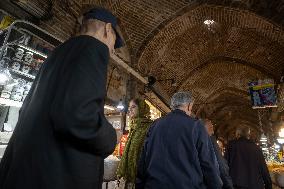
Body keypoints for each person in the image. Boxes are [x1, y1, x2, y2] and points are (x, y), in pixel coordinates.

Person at [0, 7, 123, 189]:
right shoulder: (93, 49)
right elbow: (78, 116)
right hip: (56, 177)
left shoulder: (58, 54)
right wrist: (111, 136)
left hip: (29, 172)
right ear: (107, 29)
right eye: (114, 41)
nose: (112, 50)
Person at [136, 92, 222, 189]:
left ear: (172, 106)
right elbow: (208, 162)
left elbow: (143, 159)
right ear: (189, 106)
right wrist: (216, 185)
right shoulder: (196, 126)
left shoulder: (155, 125)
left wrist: (139, 184)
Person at [117, 99, 152, 189]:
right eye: (129, 107)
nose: (130, 110)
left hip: (141, 176)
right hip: (130, 175)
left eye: (133, 107)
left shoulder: (149, 127)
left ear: (141, 109)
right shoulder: (134, 126)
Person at [204, 119, 234, 189]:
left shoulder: (193, 140)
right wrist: (229, 185)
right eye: (211, 127)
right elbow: (221, 165)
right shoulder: (210, 141)